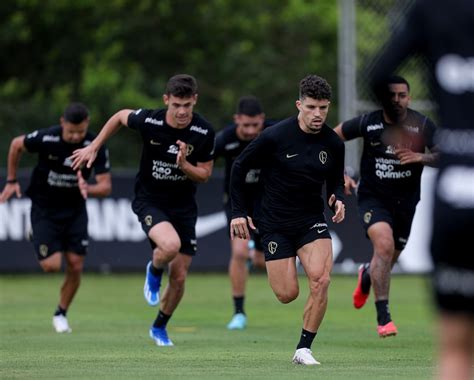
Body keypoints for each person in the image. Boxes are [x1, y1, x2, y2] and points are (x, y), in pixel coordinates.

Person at [368, 1, 474, 378]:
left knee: (456, 349)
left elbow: (379, 72)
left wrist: (397, 126)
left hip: (458, 197)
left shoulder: (433, 11)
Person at [70, 74, 215, 347]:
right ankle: (155, 267)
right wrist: (94, 146)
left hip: (184, 207)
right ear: (166, 101)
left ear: (195, 100)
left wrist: (184, 166)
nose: (182, 111)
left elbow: (205, 174)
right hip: (150, 200)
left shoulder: (204, 132)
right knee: (170, 245)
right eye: (176, 105)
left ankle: (159, 327)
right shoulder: (151, 121)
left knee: (181, 277)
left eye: (187, 105)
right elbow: (119, 117)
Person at [230, 75, 345, 365]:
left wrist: (337, 199)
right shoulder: (275, 136)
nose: (317, 114)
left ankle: (304, 348)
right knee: (287, 294)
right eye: (311, 107)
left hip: (310, 222)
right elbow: (239, 166)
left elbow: (335, 182)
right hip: (275, 225)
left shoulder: (333, 142)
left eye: (323, 107)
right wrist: (238, 212)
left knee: (321, 280)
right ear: (299, 105)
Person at [334, 76, 437, 338]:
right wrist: (339, 174)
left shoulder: (422, 124)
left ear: (409, 98)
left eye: (402, 95)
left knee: (388, 258)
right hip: (373, 198)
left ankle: (367, 275)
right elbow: (334, 136)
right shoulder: (369, 122)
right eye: (391, 95)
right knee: (384, 246)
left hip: (406, 202)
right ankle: (384, 317)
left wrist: (420, 157)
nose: (397, 100)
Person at [0, 103, 112, 333]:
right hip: (45, 209)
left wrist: (87, 189)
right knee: (51, 266)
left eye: (80, 132)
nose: (75, 136)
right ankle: (36, 233)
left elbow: (105, 187)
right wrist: (11, 180)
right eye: (71, 131)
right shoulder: (47, 138)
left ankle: (61, 313)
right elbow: (15, 145)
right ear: (62, 123)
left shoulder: (95, 145)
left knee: (75, 265)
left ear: (87, 125)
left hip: (75, 211)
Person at [215, 96, 272, 330]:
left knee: (260, 261)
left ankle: (253, 256)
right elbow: (202, 159)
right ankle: (239, 313)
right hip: (236, 201)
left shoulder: (273, 133)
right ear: (236, 120)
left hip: (266, 202)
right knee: (238, 252)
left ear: (262, 120)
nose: (250, 131)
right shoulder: (225, 139)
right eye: (245, 125)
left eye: (254, 125)